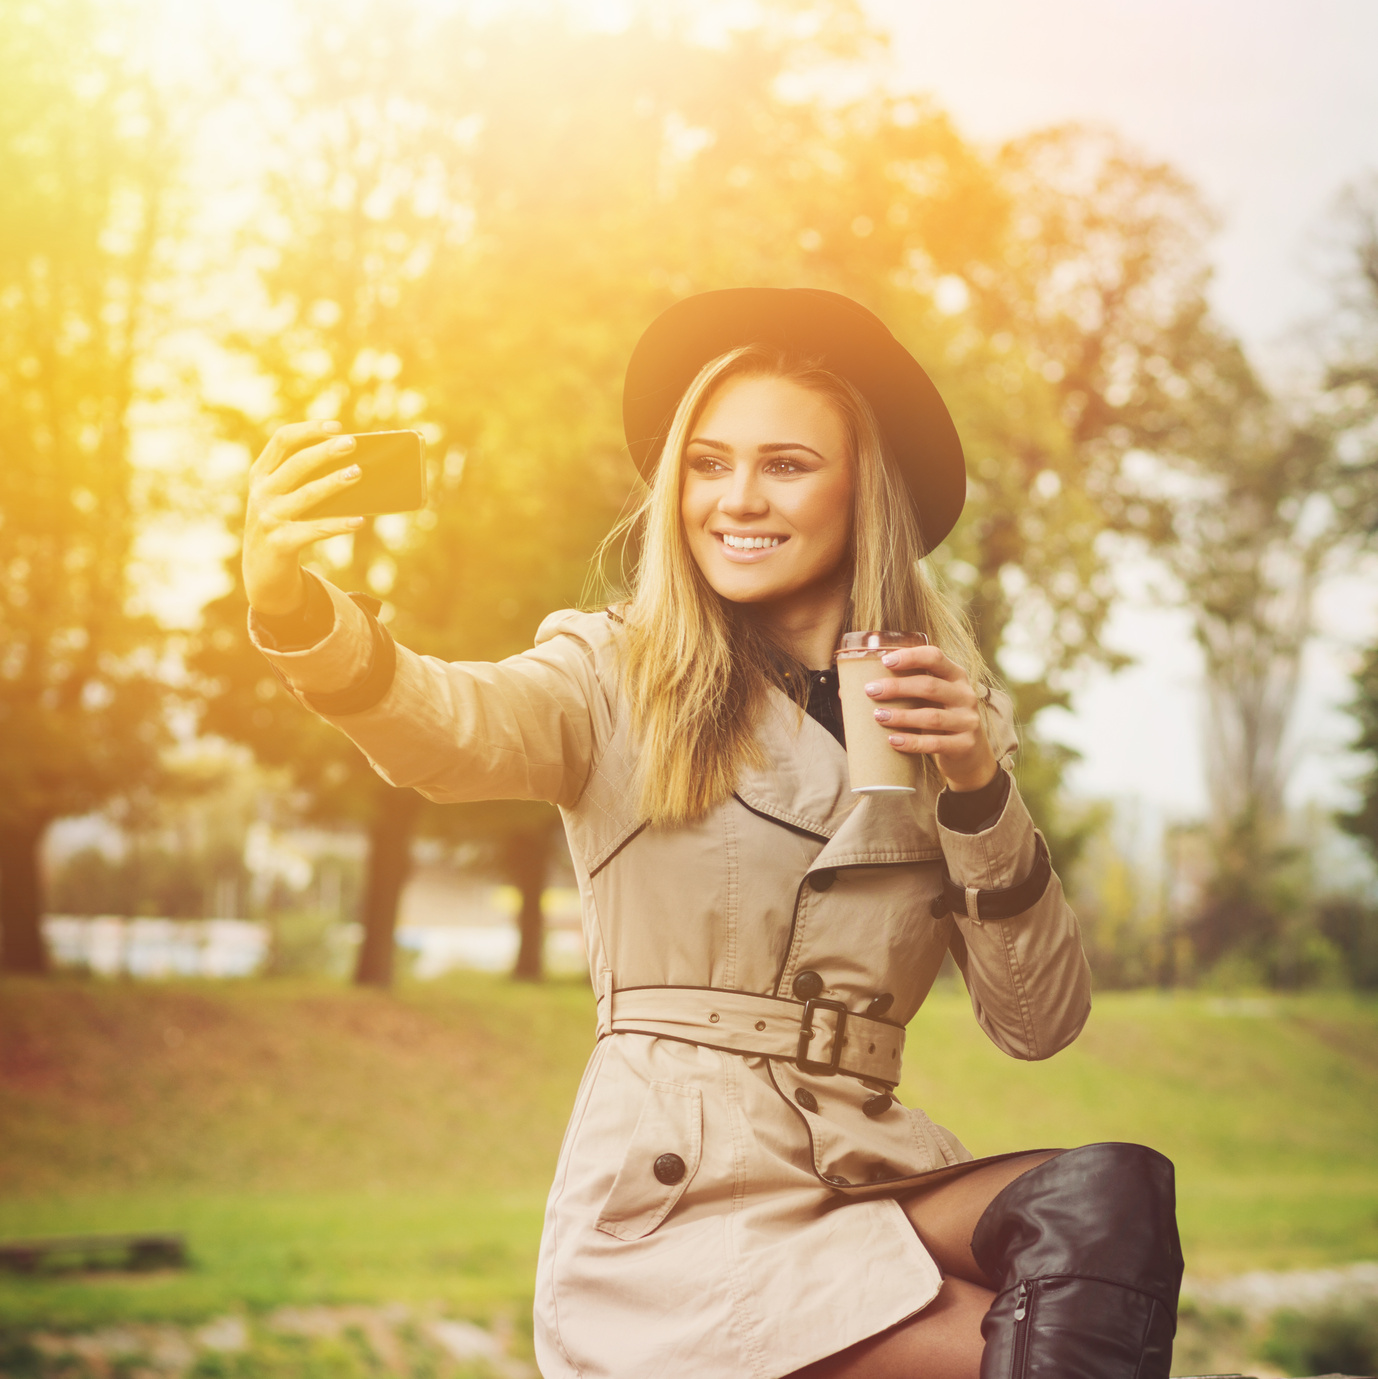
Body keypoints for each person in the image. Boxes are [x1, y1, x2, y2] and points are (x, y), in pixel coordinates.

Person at [243, 288, 1184, 1379]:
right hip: (679, 1196)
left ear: (858, 490)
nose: (736, 498)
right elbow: (442, 724)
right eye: (706, 462)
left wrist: (976, 784)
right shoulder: (614, 671)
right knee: (1021, 1344)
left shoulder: (938, 711)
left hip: (856, 1164)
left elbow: (1037, 1021)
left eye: (784, 464)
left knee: (1108, 1195)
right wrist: (298, 611)